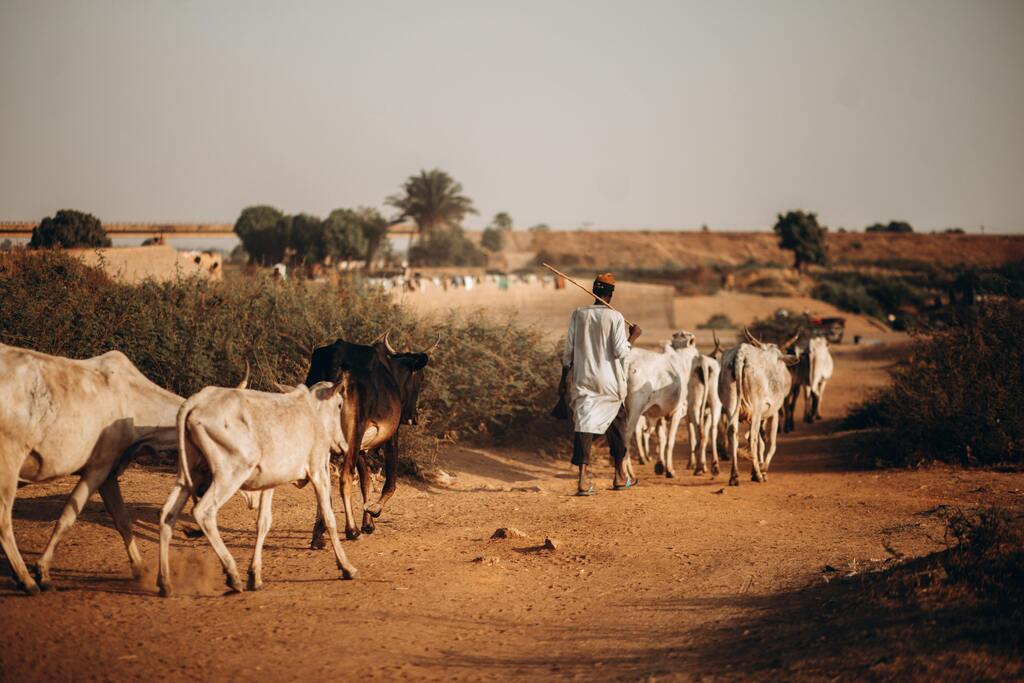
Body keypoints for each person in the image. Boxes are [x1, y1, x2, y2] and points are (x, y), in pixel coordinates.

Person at [559, 273, 642, 495]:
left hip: (583, 380)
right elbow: (620, 352)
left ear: (594, 292)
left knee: (583, 427)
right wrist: (633, 336)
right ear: (611, 294)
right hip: (610, 383)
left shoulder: (578, 315)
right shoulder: (615, 317)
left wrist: (563, 380)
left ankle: (583, 481)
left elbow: (568, 352)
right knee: (618, 428)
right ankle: (618, 476)